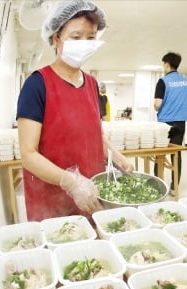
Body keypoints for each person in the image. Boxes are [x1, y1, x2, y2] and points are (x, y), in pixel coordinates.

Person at [17, 0, 133, 221]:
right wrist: (71, 182)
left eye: (90, 38)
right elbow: (28, 154)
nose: (84, 43)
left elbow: (95, 135)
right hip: (51, 199)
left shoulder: (92, 84)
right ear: (56, 38)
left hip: (92, 191)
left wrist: (118, 157)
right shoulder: (37, 84)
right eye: (76, 37)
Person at [153, 52, 187, 193]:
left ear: (167, 65)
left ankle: (158, 187)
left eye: (164, 64)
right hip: (180, 122)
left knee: (160, 154)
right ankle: (174, 187)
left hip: (164, 123)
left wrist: (157, 106)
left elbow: (158, 104)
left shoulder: (163, 81)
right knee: (176, 153)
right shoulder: (186, 81)